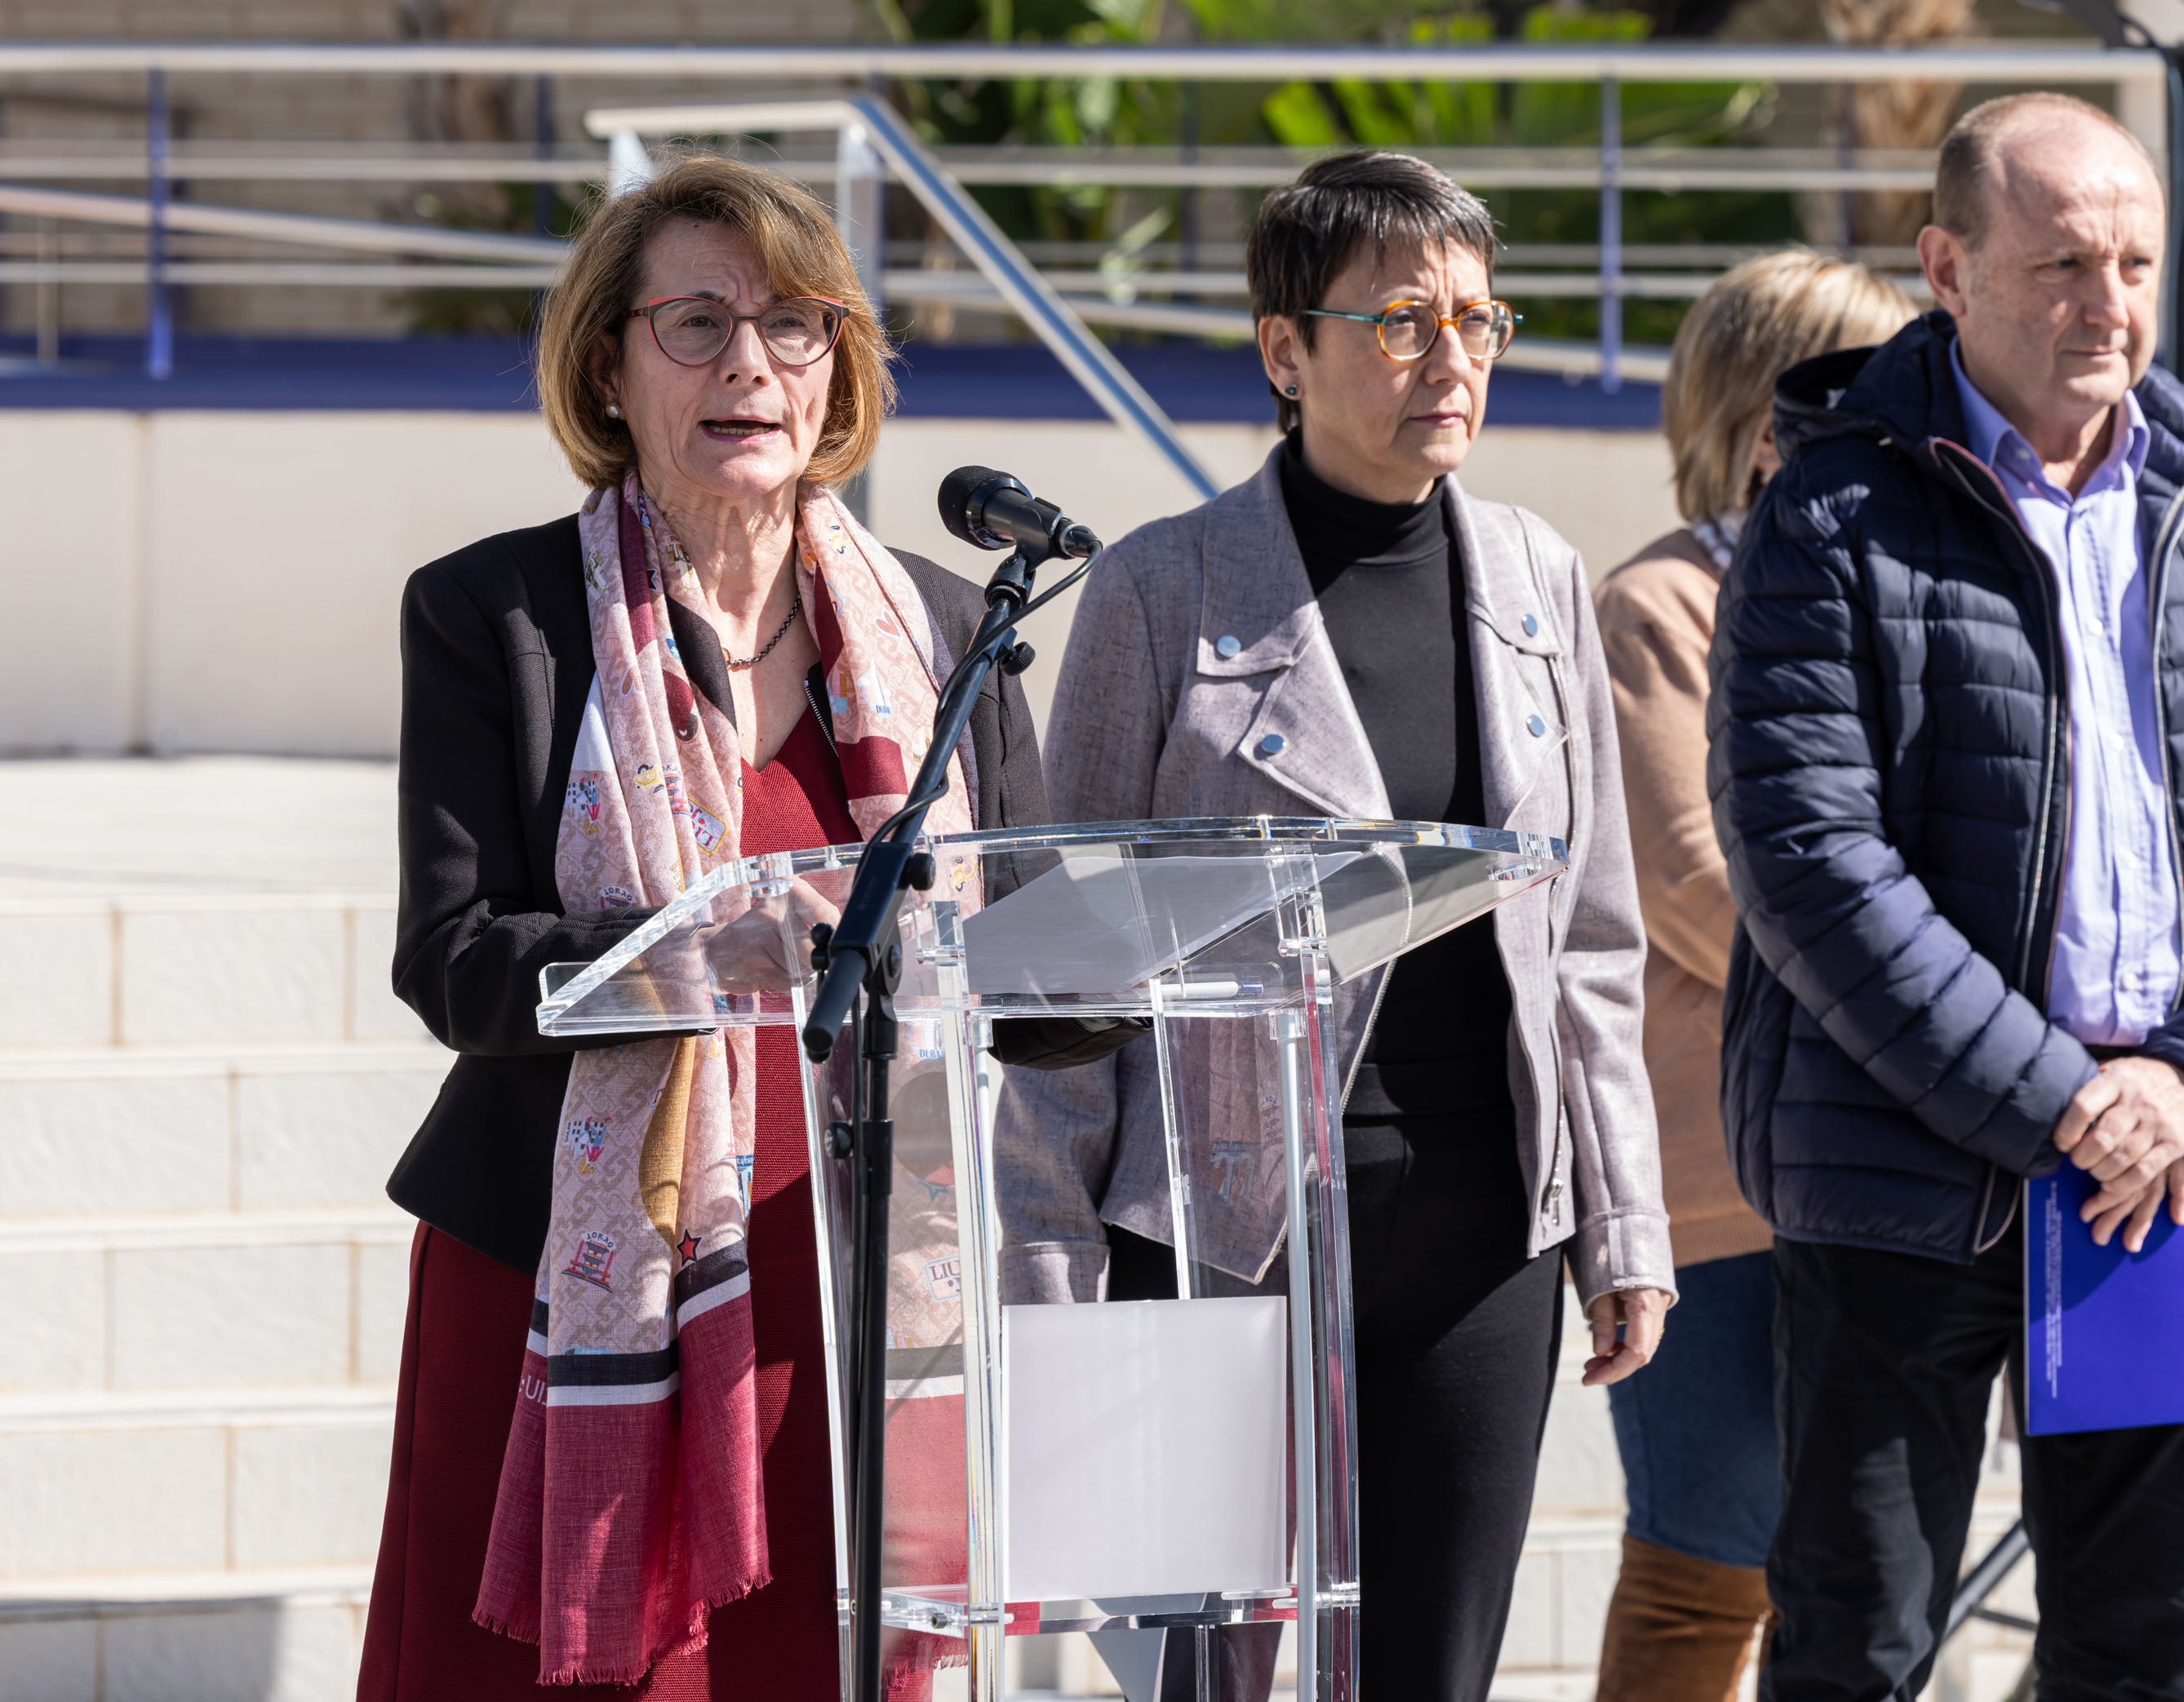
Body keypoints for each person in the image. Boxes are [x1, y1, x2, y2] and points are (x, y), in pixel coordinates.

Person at [359, 153, 1119, 1697]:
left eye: (792, 324)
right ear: (611, 367)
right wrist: (699, 952)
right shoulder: (499, 616)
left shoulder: (949, 629)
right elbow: (452, 959)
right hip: (577, 1291)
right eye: (696, 324)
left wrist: (1157, 955)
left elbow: (1031, 978)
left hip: (852, 1288)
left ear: (839, 367)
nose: (748, 366)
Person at [1707, 92, 2184, 1701]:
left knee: (2148, 1646)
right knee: (1856, 1644)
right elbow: (1811, 862)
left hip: (2173, 1169)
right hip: (1903, 1172)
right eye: (2061, 263)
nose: (2109, 304)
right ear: (1944, 266)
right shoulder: (1826, 512)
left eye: (2135, 263)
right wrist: (2063, 1100)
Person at [1007, 148, 1675, 1702]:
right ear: (1282, 348)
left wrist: (1621, 1218)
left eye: (1478, 322)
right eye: (1399, 323)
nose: (1452, 361)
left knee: (1431, 1673)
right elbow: (1062, 964)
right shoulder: (1159, 591)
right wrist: (1050, 1274)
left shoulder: (1535, 575)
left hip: (1480, 1229)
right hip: (1221, 1230)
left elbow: (1589, 935)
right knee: (1206, 1678)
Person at [1589, 250, 1911, 1701]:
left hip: (1884, 1159)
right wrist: (1934, 1007)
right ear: (1759, 398)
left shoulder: (1894, 584)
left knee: (1849, 1580)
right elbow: (1701, 889)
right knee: (1699, 1576)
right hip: (1721, 1185)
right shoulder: (1657, 606)